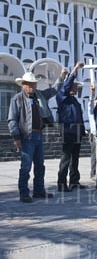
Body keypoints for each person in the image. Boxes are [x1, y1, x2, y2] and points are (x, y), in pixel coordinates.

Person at [8, 72, 59, 202]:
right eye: (31, 84)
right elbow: (12, 120)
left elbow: (54, 90)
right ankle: (24, 193)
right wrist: (16, 137)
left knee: (40, 165)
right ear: (24, 85)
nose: (33, 87)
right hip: (26, 137)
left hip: (39, 134)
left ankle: (39, 191)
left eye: (34, 84)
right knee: (26, 166)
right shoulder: (17, 99)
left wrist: (63, 77)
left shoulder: (39, 96)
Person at [56, 62, 87, 192]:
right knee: (66, 159)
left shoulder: (74, 101)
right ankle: (62, 183)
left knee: (75, 159)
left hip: (77, 133)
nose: (76, 88)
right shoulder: (62, 97)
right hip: (68, 133)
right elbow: (66, 84)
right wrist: (75, 69)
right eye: (74, 85)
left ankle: (74, 181)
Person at [88, 84, 97, 180]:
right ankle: (93, 173)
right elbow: (90, 103)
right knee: (94, 155)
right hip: (94, 134)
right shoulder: (91, 110)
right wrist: (92, 93)